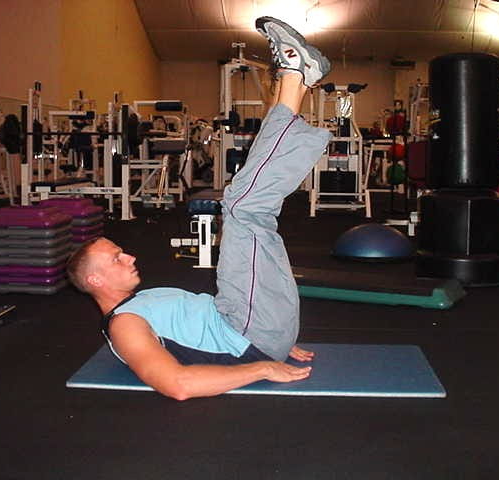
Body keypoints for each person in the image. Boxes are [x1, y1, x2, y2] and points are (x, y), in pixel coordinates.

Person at [66, 16, 332, 400]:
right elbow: (178, 385)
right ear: (95, 280)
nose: (130, 257)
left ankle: (299, 81)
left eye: (121, 252)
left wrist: (273, 335)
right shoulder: (124, 325)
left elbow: (204, 330)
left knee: (248, 203)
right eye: (117, 258)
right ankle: (296, 76)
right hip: (249, 329)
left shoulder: (138, 304)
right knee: (243, 206)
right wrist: (263, 363)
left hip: (251, 323)